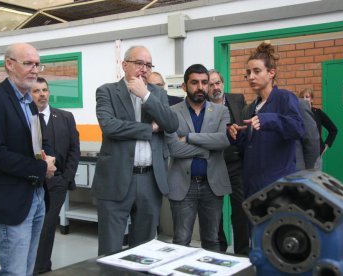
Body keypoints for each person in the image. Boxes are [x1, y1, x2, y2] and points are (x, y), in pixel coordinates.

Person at [0, 43, 56, 276]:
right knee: (14, 271)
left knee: (27, 270)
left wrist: (47, 157)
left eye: (37, 64)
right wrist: (40, 167)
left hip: (36, 195)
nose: (35, 69)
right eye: (28, 63)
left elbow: (36, 141)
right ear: (9, 64)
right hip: (11, 200)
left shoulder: (28, 102)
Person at [92, 45, 179, 256]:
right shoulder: (107, 91)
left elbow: (171, 123)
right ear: (124, 65)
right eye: (139, 63)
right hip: (116, 178)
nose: (144, 69)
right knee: (111, 249)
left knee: (144, 249)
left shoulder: (157, 93)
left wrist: (146, 96)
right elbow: (110, 126)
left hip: (150, 180)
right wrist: (149, 128)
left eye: (148, 65)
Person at [165, 64, 231, 252]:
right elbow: (174, 148)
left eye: (204, 83)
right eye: (194, 83)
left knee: (212, 240)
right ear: (185, 86)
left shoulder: (220, 111)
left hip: (213, 185)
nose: (200, 87)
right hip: (182, 186)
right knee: (181, 240)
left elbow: (223, 140)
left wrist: (190, 137)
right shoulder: (172, 112)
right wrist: (205, 150)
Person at [228, 42, 304, 198]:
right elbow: (249, 147)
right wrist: (235, 134)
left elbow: (298, 128)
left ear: (271, 73)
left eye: (256, 71)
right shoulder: (250, 108)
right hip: (252, 185)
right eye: (248, 73)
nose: (251, 77)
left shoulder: (284, 97)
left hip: (276, 184)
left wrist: (268, 120)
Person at [31, 77, 80, 274]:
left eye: (45, 90)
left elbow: (74, 149)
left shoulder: (65, 117)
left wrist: (66, 178)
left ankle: (41, 267)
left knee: (47, 225)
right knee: (34, 226)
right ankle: (31, 266)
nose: (42, 94)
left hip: (57, 181)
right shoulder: (27, 118)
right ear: (29, 94)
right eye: (36, 91)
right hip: (33, 182)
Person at [208, 69, 249, 255]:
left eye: (218, 83)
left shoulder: (238, 99)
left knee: (241, 209)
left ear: (222, 83)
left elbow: (247, 128)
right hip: (214, 164)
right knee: (215, 212)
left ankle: (242, 252)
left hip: (237, 164)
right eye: (211, 84)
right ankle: (220, 249)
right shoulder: (203, 107)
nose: (215, 87)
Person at [299, 88, 338, 168]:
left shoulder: (318, 113)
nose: (304, 99)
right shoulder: (297, 113)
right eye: (302, 97)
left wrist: (326, 146)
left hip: (316, 154)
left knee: (313, 178)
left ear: (312, 99)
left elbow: (333, 129)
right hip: (301, 155)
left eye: (307, 97)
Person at [296, 98, 320, 170]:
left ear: (312, 99)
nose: (306, 98)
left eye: (307, 96)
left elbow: (311, 139)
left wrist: (327, 144)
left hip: (295, 174)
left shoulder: (317, 111)